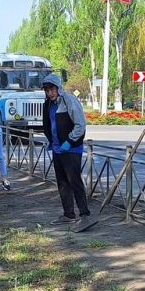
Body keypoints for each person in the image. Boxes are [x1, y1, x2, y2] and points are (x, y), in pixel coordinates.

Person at [41, 74, 93, 230]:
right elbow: (49, 124)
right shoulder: (48, 104)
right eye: (47, 90)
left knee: (74, 181)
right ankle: (68, 214)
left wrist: (69, 141)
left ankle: (85, 215)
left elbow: (80, 125)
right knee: (62, 182)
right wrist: (52, 140)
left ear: (58, 88)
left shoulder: (69, 100)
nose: (50, 93)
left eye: (52, 89)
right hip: (57, 149)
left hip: (71, 148)